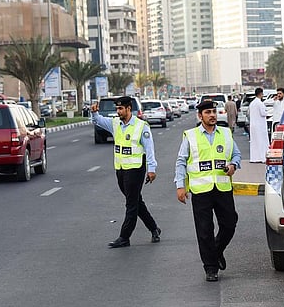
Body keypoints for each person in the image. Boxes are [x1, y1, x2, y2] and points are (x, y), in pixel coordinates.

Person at [175, 99, 241, 282]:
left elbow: (236, 154)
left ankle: (217, 251)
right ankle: (210, 268)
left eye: (214, 112)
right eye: (208, 113)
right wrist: (180, 185)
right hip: (200, 189)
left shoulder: (226, 133)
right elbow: (181, 161)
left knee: (229, 223)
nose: (212, 115)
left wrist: (234, 165)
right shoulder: (191, 136)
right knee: (204, 230)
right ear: (200, 116)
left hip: (222, 187)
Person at [91, 96, 161, 248]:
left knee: (131, 204)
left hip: (135, 169)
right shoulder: (116, 123)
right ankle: (154, 228)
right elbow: (99, 121)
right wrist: (95, 114)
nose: (118, 111)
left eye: (121, 109)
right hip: (121, 169)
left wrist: (151, 169)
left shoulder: (141, 126)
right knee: (136, 202)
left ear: (129, 109)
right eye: (117, 108)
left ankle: (124, 237)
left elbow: (149, 149)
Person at [248, 87, 269, 163]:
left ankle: (255, 158)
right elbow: (263, 113)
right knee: (261, 141)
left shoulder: (252, 103)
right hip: (260, 125)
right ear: (260, 94)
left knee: (254, 142)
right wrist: (268, 112)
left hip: (253, 125)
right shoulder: (259, 103)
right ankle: (262, 157)